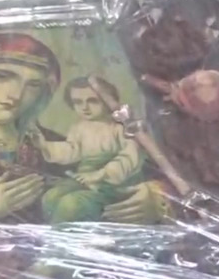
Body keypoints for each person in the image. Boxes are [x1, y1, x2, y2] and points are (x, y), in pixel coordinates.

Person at [0, 33, 169, 224]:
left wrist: (156, 198)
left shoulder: (49, 144)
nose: (16, 94)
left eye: (33, 84)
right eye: (2, 76)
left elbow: (138, 176)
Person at [33, 76, 144, 223]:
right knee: (51, 196)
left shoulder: (120, 128)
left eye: (92, 101)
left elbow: (129, 158)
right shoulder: (79, 128)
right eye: (78, 102)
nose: (85, 107)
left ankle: (63, 233)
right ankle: (52, 229)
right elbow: (72, 150)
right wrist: (45, 145)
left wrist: (100, 174)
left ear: (106, 100)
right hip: (84, 178)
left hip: (112, 185)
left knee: (70, 204)